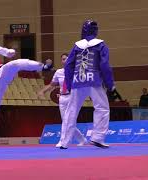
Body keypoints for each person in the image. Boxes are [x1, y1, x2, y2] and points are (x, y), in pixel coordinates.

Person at [0, 30, 53, 150]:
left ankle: (43, 67)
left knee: (15, 64)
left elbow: (6, 52)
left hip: (2, 72)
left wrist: (10, 52)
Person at [60, 20, 116, 149]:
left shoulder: (76, 46)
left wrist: (69, 84)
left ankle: (64, 142)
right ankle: (98, 138)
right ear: (96, 31)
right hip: (94, 80)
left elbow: (68, 65)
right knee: (101, 108)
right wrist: (109, 83)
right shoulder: (101, 45)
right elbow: (105, 65)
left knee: (71, 111)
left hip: (77, 81)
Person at [38, 53, 87, 148]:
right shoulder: (59, 72)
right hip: (62, 98)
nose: (65, 60)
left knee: (67, 121)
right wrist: (43, 91)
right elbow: (52, 84)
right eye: (63, 59)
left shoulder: (75, 71)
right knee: (66, 120)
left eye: (67, 59)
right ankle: (82, 139)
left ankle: (62, 141)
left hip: (72, 97)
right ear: (61, 61)